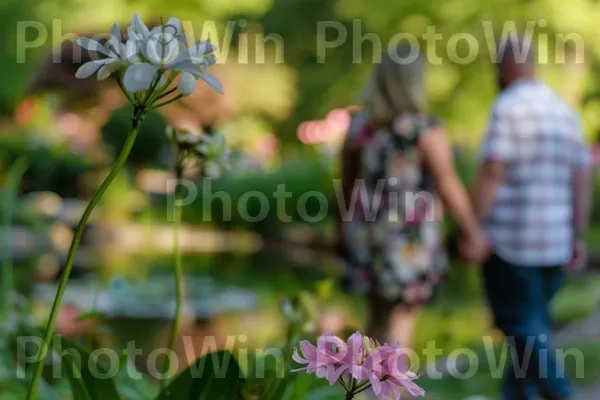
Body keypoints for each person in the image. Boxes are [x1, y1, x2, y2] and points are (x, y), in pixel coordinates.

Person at [337, 45, 489, 350]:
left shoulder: (359, 127)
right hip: (409, 240)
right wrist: (472, 232)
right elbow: (448, 183)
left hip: (367, 235)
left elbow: (344, 188)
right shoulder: (425, 129)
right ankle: (391, 394)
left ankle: (365, 392)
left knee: (375, 321)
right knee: (401, 323)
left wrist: (338, 233)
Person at [471, 34, 592, 400]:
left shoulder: (508, 107)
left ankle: (563, 394)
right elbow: (582, 176)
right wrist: (579, 234)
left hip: (513, 244)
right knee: (530, 333)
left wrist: (469, 226)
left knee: (523, 329)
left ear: (506, 67)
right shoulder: (563, 110)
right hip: (555, 243)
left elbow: (492, 171)